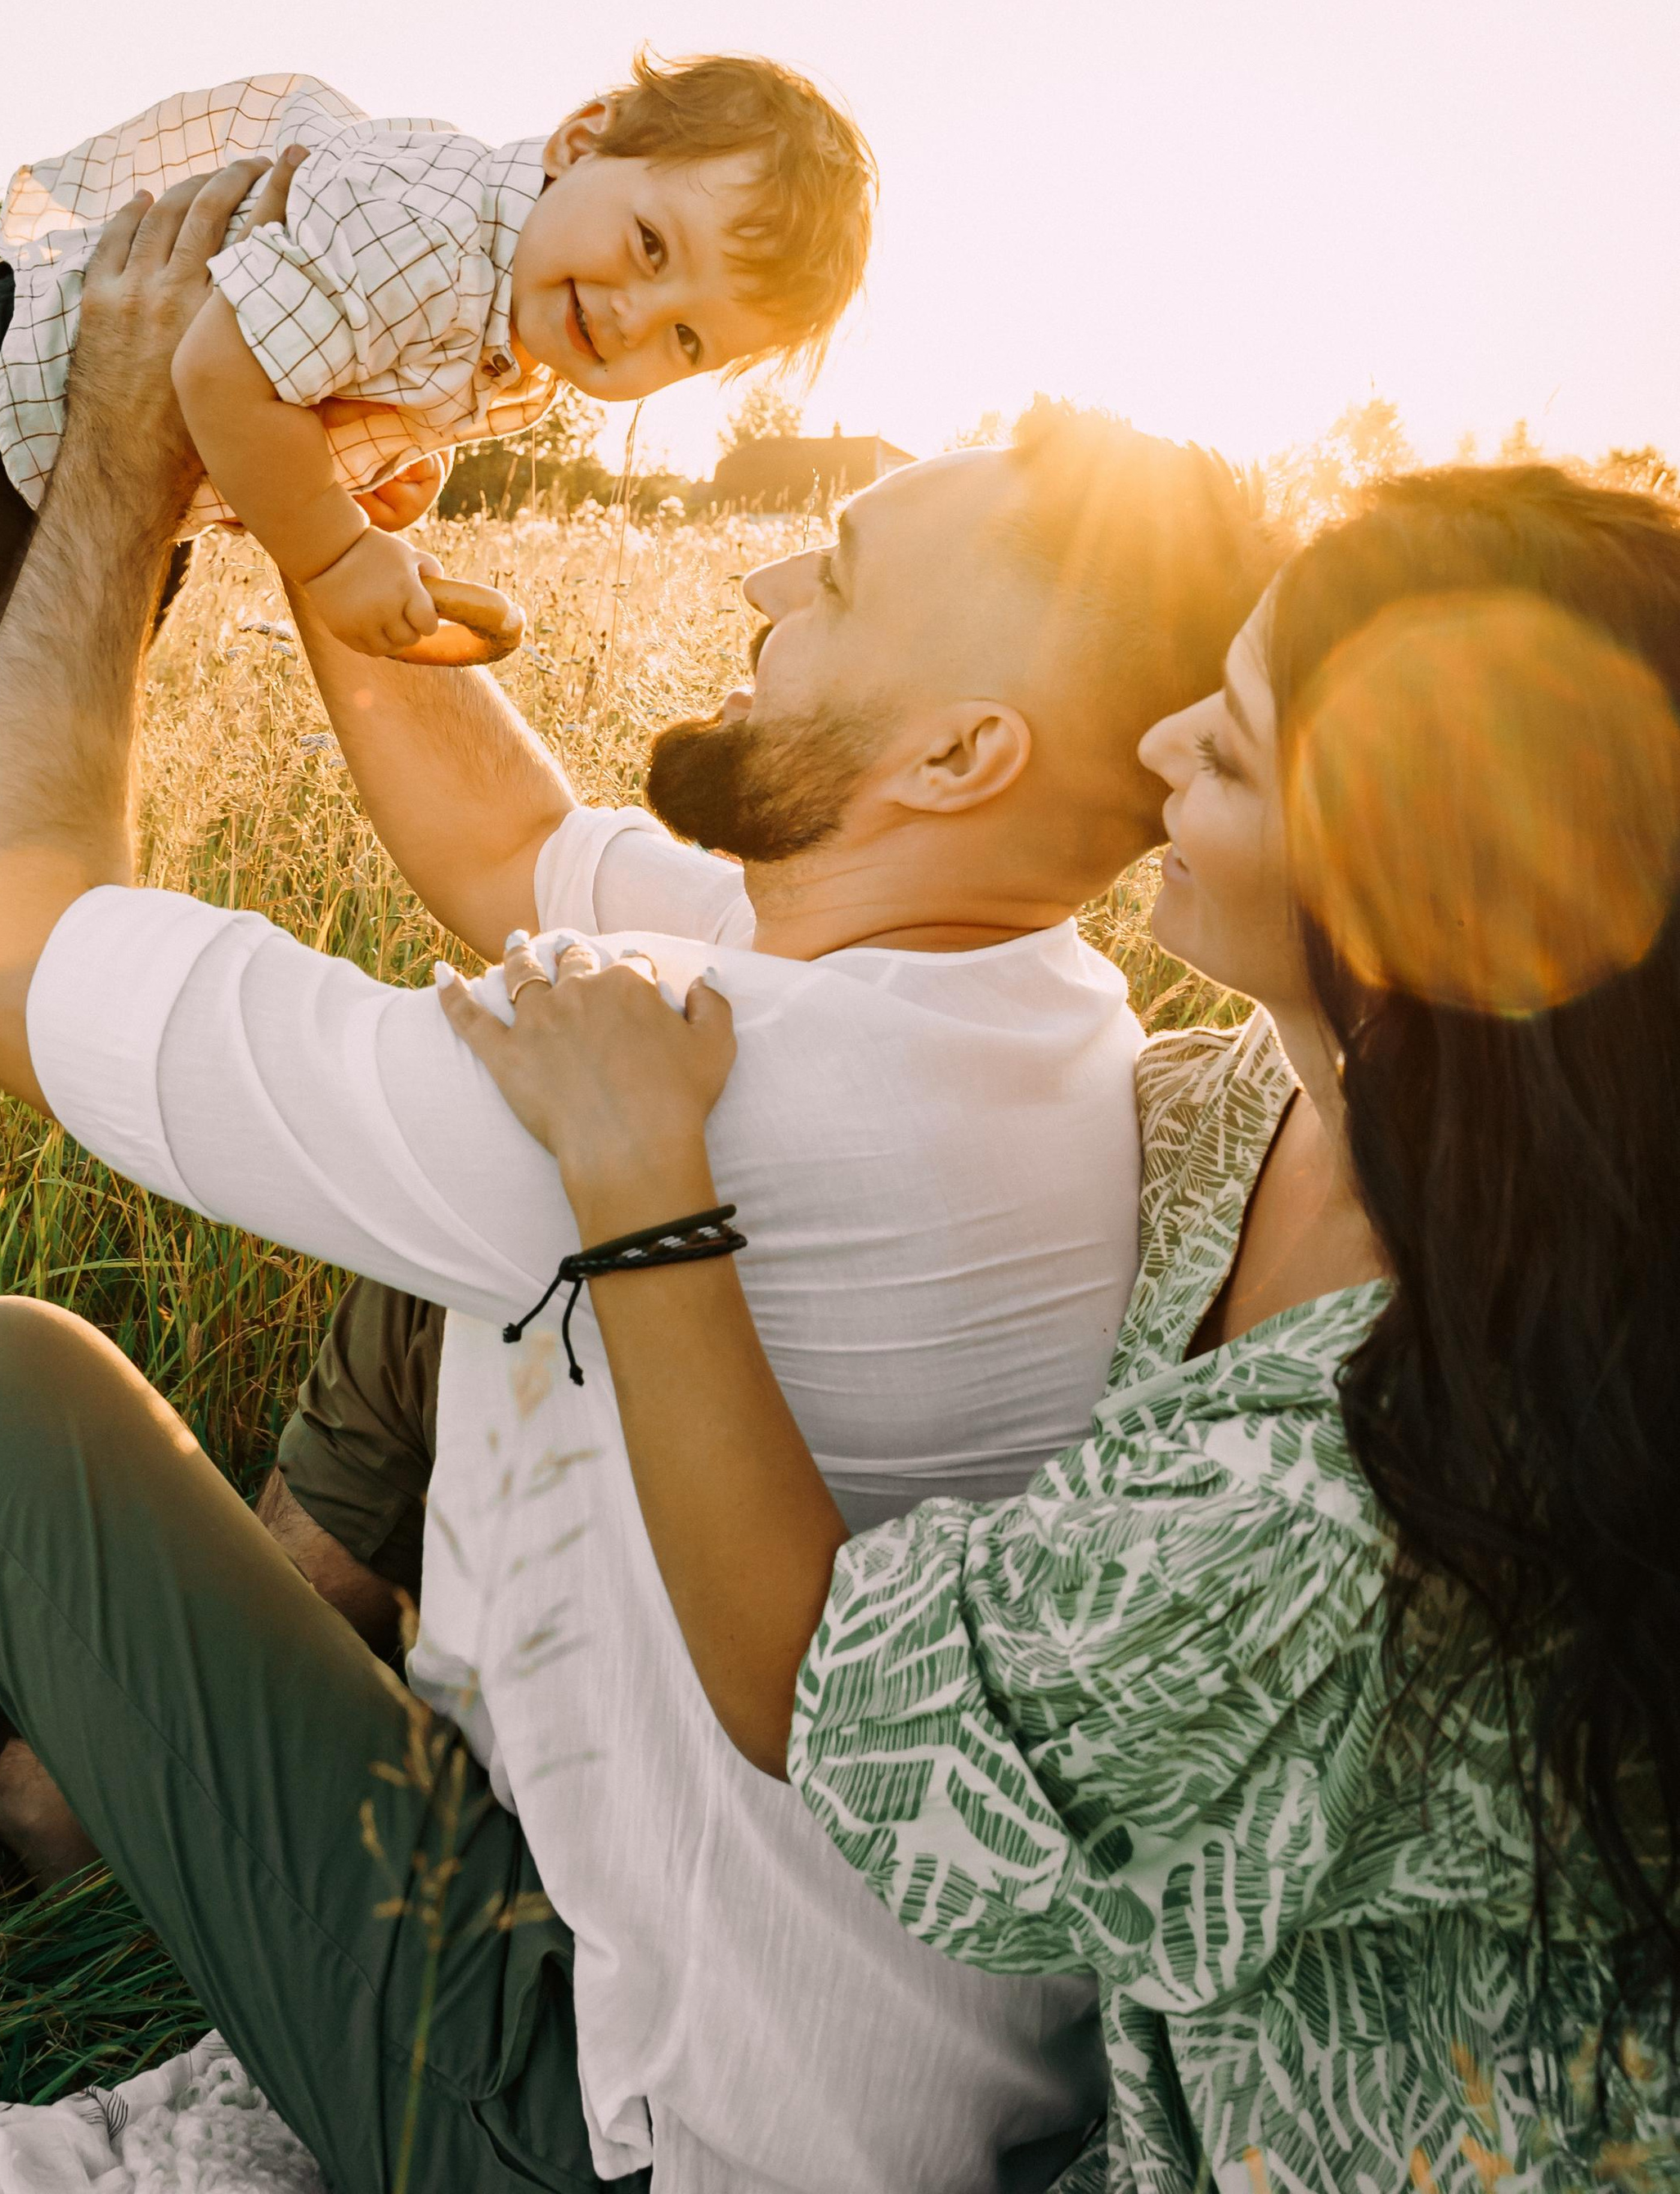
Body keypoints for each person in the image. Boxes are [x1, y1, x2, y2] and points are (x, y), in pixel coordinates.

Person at [0, 165, 1280, 2194]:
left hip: (592, 2125)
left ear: (954, 757)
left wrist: (118, 482)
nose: (768, 583)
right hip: (844, 2074)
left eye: (840, 579)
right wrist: (330, 535)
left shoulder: (738, 1098)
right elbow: (518, 850)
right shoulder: (1005, 999)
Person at [440, 461, 1680, 2192]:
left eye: (1230, 751)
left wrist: (641, 1186)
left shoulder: (1358, 1493)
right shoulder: (1253, 1107)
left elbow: (816, 1700)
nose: (1160, 746)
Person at [0, 47, 874, 704]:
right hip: (12, 400)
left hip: (130, 466)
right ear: (583, 142)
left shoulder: (524, 318)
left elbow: (318, 385)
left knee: (84, 672)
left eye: (688, 341)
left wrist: (363, 475)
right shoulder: (430, 238)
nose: (634, 320)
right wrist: (334, 553)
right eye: (650, 247)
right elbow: (221, 370)